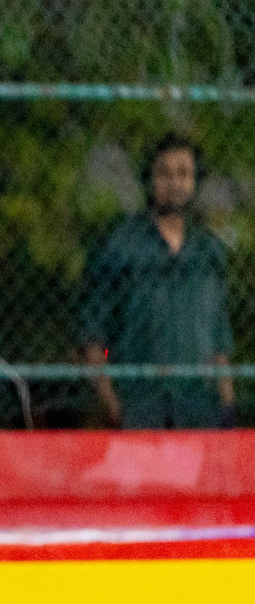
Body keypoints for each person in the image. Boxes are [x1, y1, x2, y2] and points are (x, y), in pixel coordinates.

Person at [80, 132, 236, 428]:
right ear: (150, 179)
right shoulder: (121, 246)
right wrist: (113, 406)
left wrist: (227, 404)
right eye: (164, 173)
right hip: (140, 406)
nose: (175, 182)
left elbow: (219, 338)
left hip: (199, 407)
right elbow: (93, 337)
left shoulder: (208, 251)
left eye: (184, 173)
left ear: (195, 181)